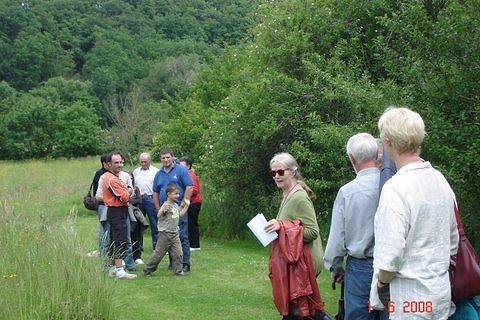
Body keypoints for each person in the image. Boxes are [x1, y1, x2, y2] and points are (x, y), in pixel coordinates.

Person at [370, 107, 459, 319]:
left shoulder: (396, 188)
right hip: (439, 295)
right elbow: (454, 241)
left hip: (411, 301)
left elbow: (390, 256)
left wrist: (381, 283)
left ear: (388, 142)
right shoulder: (439, 179)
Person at [323, 133, 388, 320]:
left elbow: (337, 239)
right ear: (377, 155)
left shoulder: (347, 192)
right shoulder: (392, 185)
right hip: (390, 265)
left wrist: (336, 267)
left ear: (352, 158)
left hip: (360, 267)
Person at [264, 152, 328, 320]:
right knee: (302, 311)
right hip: (295, 263)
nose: (276, 176)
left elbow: (313, 232)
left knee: (299, 312)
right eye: (273, 173)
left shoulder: (299, 197)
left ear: (293, 171)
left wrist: (282, 227)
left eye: (280, 172)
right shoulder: (287, 193)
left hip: (303, 264)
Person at [152, 148, 193, 273]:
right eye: (163, 158)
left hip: (178, 210)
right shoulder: (159, 174)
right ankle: (173, 263)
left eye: (168, 157)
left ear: (172, 157)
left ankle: (185, 264)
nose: (166, 160)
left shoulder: (180, 170)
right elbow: (155, 192)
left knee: (182, 236)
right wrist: (158, 208)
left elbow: (190, 187)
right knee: (168, 237)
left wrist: (183, 203)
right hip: (165, 211)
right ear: (160, 159)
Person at [101, 152, 137, 279]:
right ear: (109, 164)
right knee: (120, 239)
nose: (120, 165)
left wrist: (127, 190)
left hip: (118, 210)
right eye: (116, 162)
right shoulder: (111, 179)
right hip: (116, 211)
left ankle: (112, 268)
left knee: (114, 238)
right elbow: (125, 197)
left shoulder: (113, 177)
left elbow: (127, 192)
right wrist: (128, 190)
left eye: (121, 162)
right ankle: (120, 269)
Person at [143, 183, 189, 277]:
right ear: (168, 194)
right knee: (159, 254)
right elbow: (158, 215)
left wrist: (186, 206)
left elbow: (180, 215)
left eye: (178, 194)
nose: (178, 195)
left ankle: (178, 271)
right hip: (165, 233)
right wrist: (162, 211)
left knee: (178, 253)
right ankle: (148, 269)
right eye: (175, 194)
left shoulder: (175, 205)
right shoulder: (166, 205)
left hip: (175, 233)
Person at [132, 152, 159, 251]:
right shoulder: (136, 172)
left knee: (154, 223)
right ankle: (138, 247)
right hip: (139, 199)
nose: (143, 164)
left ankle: (156, 246)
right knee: (138, 223)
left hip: (151, 198)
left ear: (149, 161)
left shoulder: (156, 171)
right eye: (141, 162)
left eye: (145, 162)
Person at [178, 156, 203, 251]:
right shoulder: (186, 175)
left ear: (188, 166)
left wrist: (185, 194)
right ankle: (190, 244)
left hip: (194, 203)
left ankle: (195, 245)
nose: (180, 168)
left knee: (192, 223)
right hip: (190, 202)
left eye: (182, 166)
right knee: (189, 223)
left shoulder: (191, 175)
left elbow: (195, 190)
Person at [87, 154, 108, 257]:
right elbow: (97, 192)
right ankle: (103, 250)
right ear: (104, 163)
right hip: (102, 204)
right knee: (103, 229)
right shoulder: (100, 174)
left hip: (107, 204)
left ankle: (105, 250)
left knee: (106, 228)